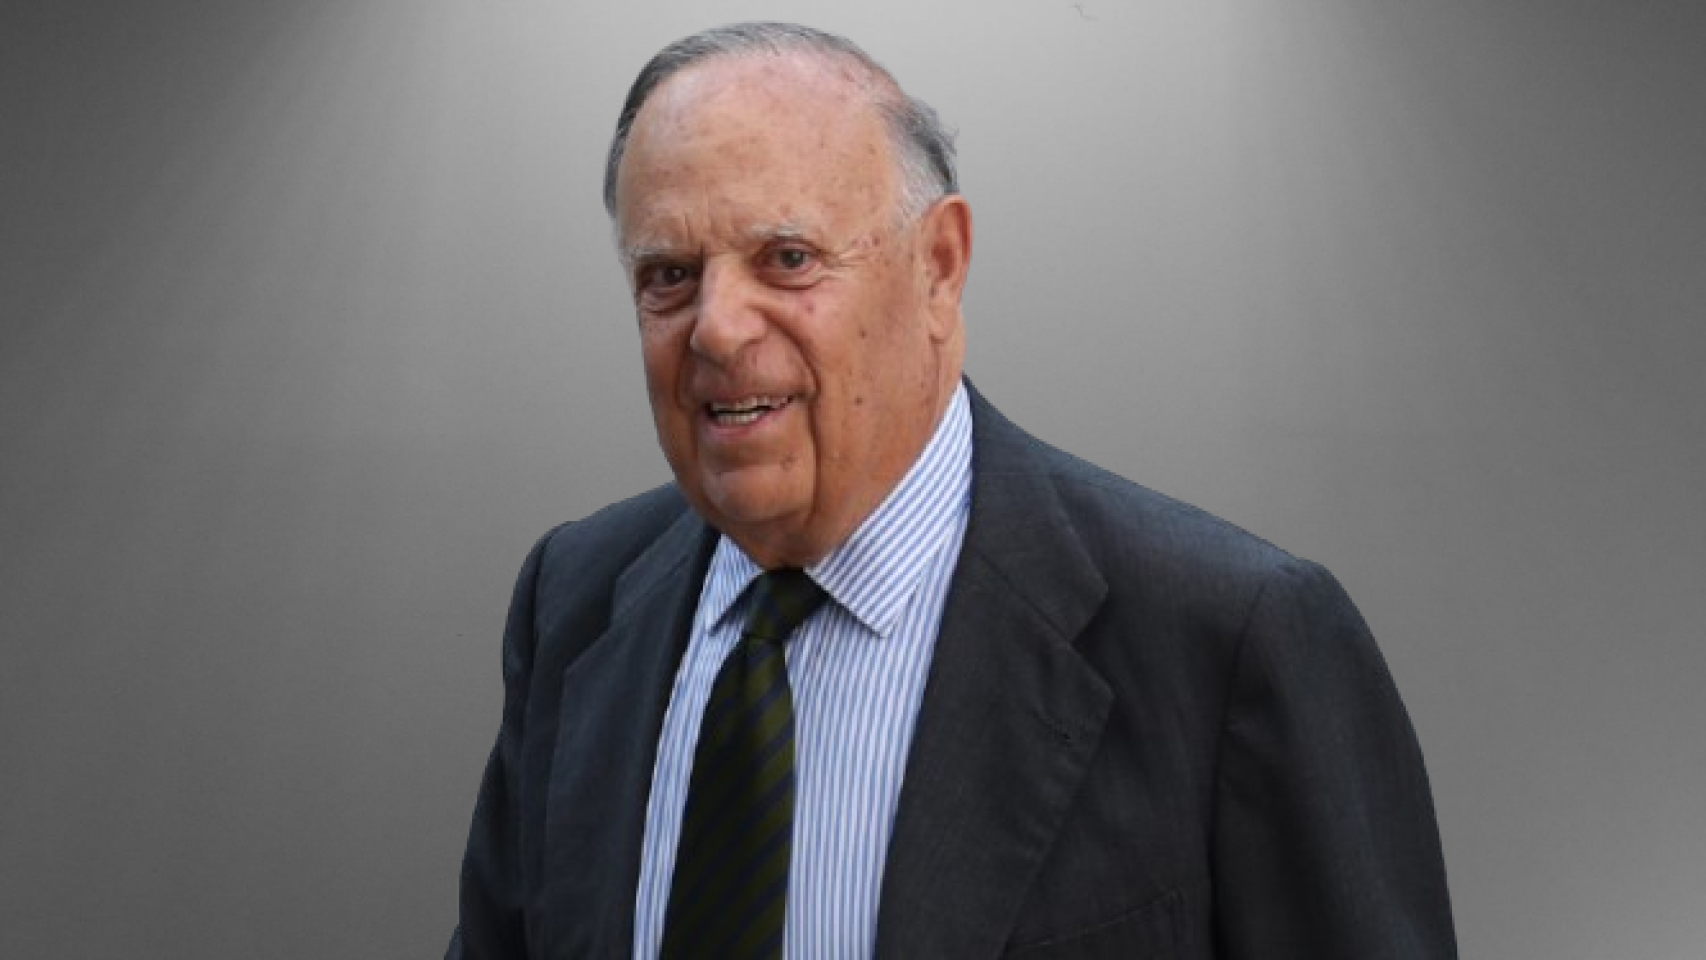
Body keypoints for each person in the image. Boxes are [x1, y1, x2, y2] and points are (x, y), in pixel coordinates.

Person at [448, 22, 1455, 959]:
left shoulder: (1227, 643)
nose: (715, 327)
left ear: (938, 267)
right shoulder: (573, 604)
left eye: (787, 259)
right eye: (669, 275)